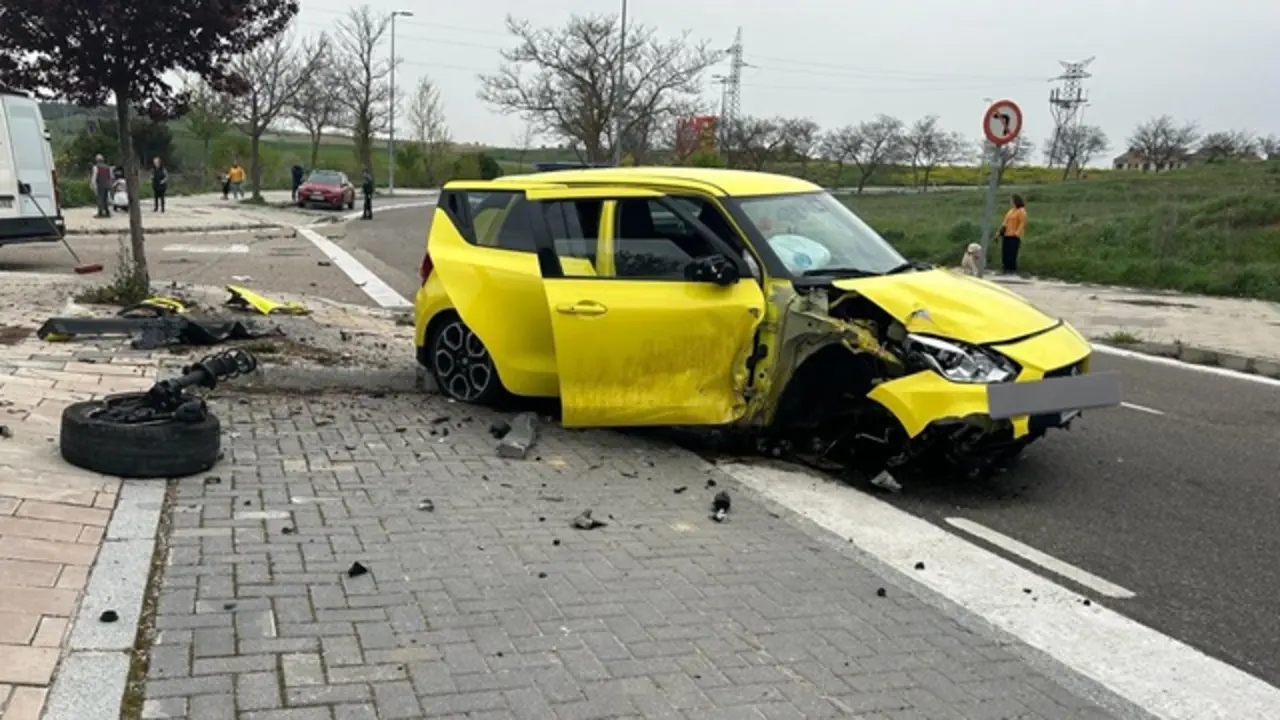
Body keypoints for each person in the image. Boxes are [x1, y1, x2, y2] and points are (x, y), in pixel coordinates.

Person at [997, 194, 1027, 274]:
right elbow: (1005, 222)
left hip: (1014, 235)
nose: (1010, 202)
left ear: (1016, 201)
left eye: (1011, 200)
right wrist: (1000, 232)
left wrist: (1017, 234)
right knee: (1005, 252)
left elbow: (1022, 223)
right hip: (1006, 234)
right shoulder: (1011, 210)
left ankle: (1011, 269)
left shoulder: (1021, 211)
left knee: (1012, 253)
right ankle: (1004, 268)